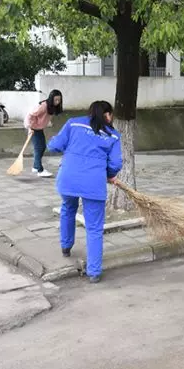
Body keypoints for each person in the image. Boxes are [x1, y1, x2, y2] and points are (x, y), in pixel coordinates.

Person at [48, 100, 122, 284]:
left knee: (68, 209)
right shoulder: (113, 135)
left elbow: (54, 146)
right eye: (111, 114)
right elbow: (115, 164)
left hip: (68, 179)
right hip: (93, 184)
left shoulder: (73, 123)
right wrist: (109, 174)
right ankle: (94, 273)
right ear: (107, 115)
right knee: (94, 227)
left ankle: (66, 247)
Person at [24, 90, 63, 177]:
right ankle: (40, 170)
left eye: (59, 100)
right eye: (55, 100)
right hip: (32, 128)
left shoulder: (52, 107)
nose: (57, 102)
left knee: (42, 147)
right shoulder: (43, 106)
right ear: (51, 99)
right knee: (39, 148)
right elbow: (30, 115)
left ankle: (35, 166)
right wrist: (29, 127)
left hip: (38, 128)